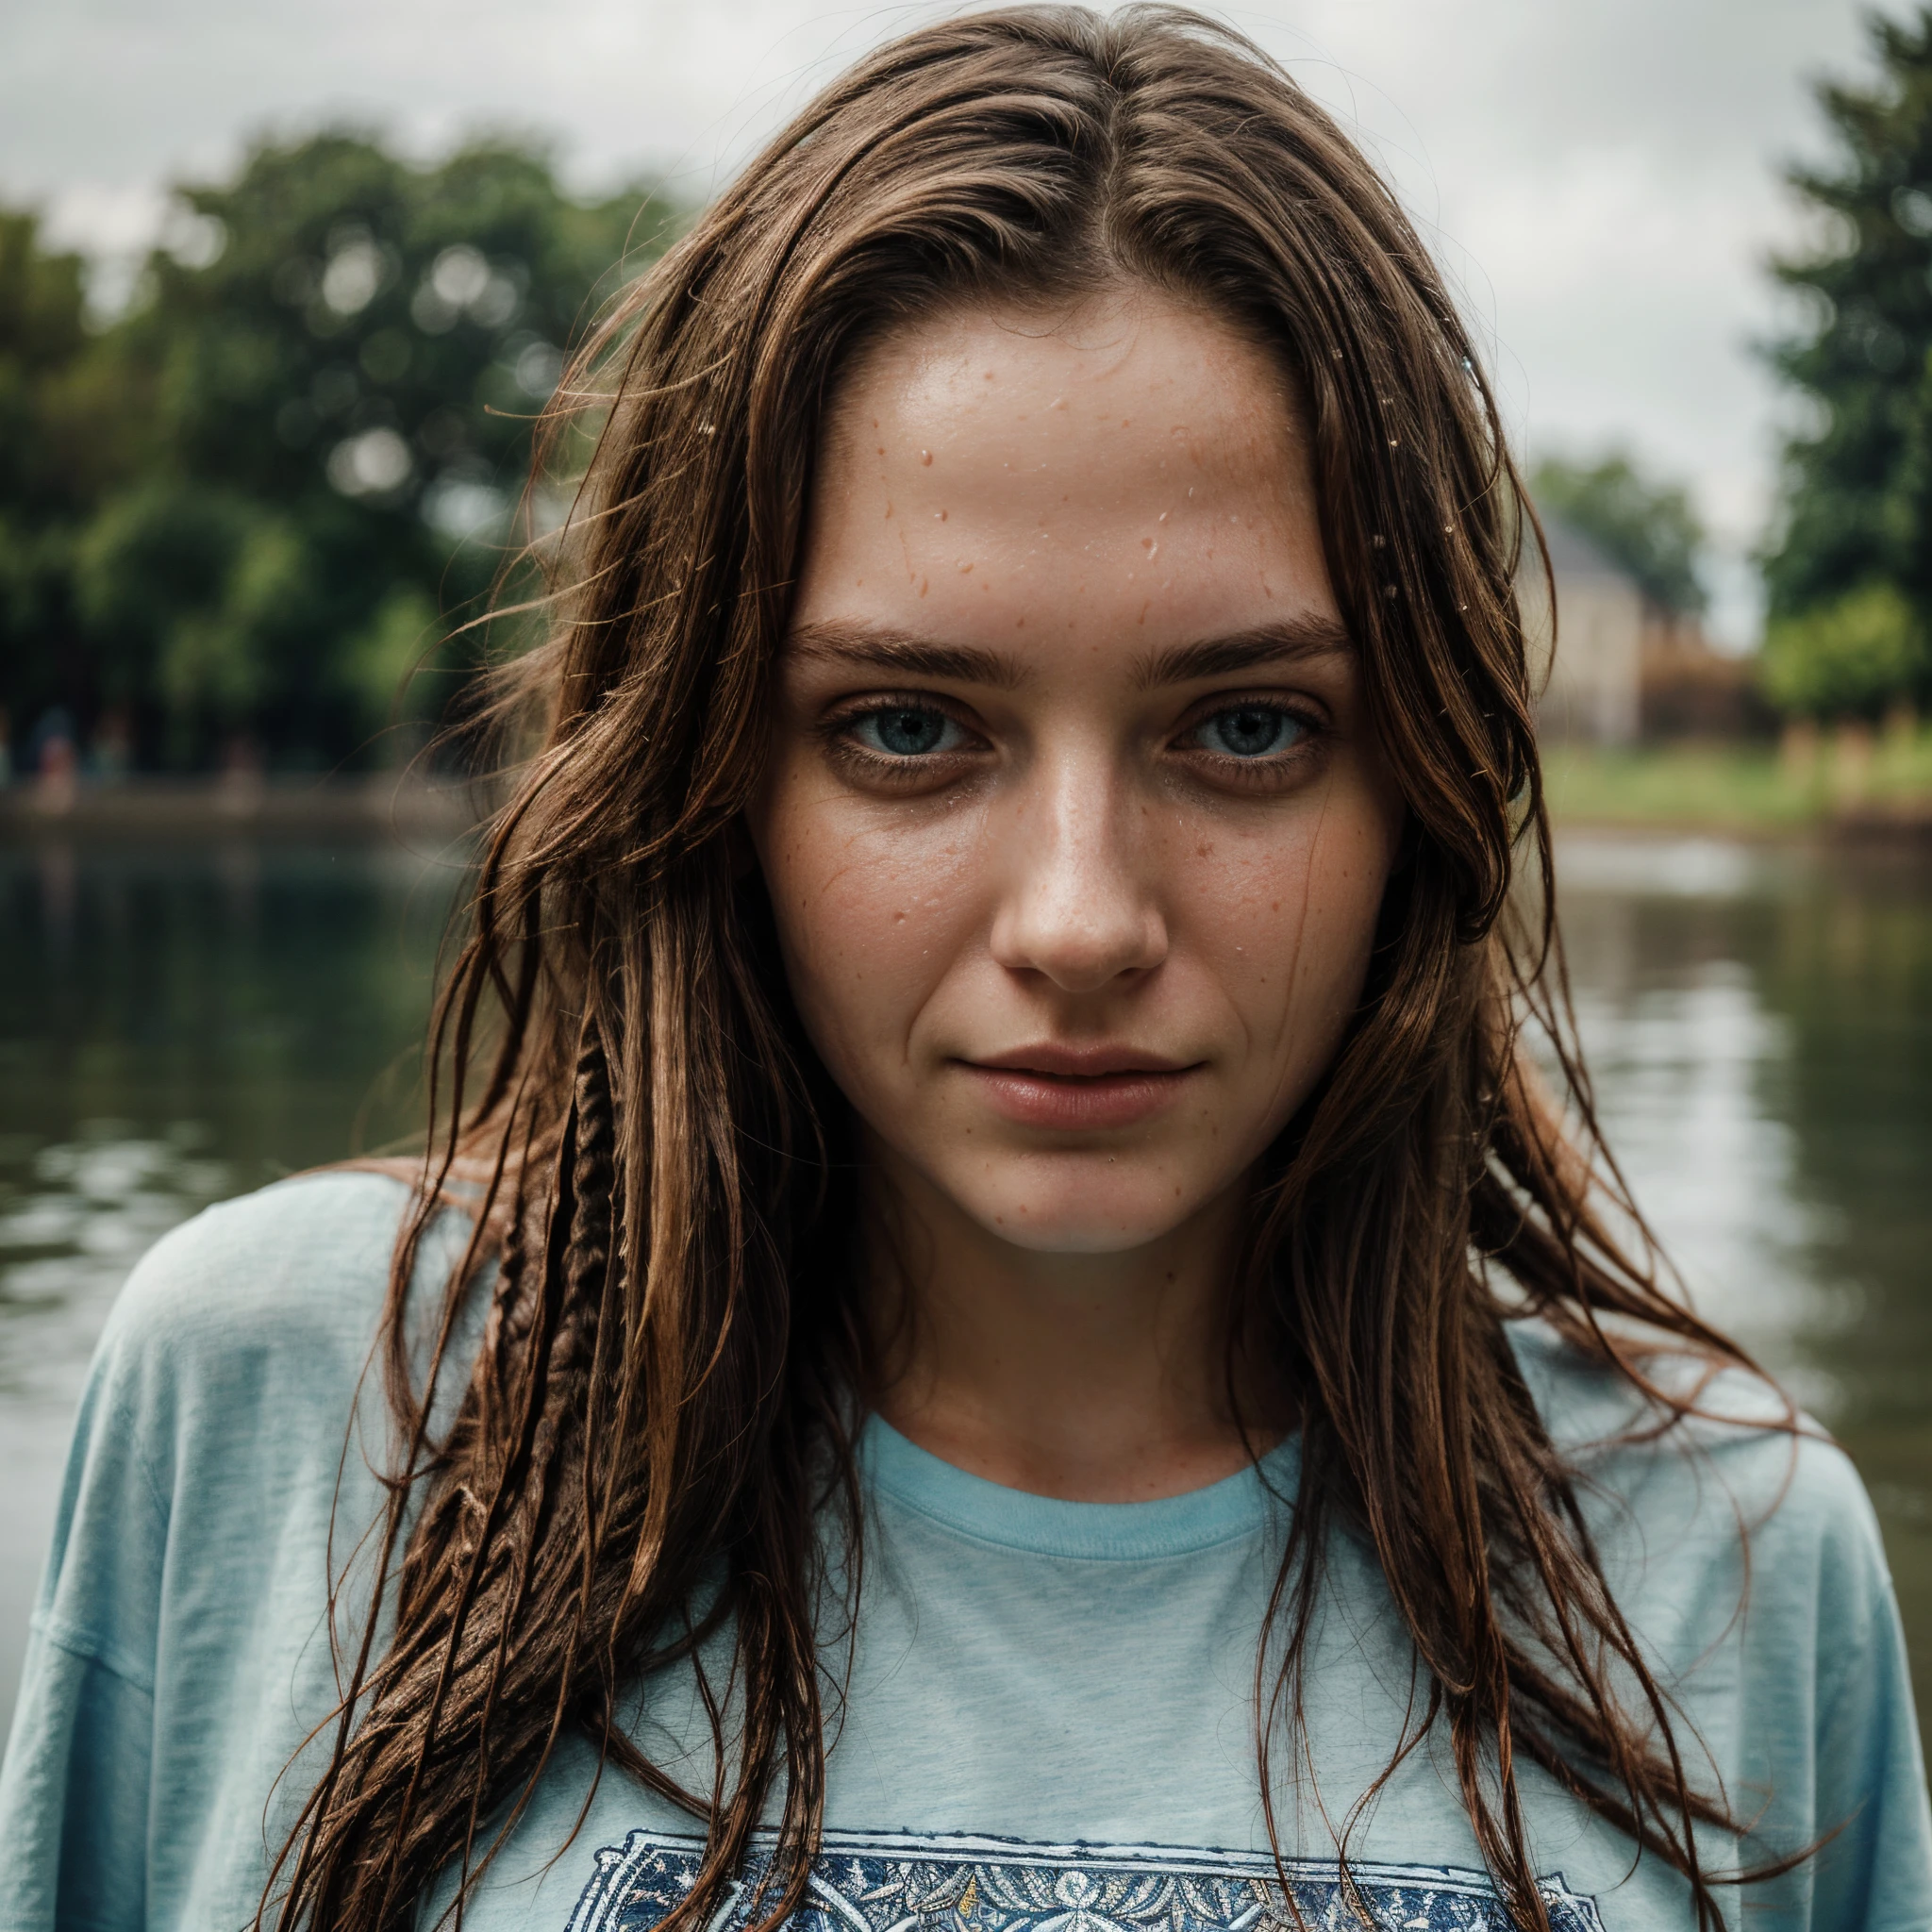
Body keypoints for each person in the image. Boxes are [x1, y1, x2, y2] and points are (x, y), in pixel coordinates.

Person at [2, 9, 1926, 1930]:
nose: (1082, 921)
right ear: (708, 771)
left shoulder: (1730, 1569)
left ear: (1416, 786)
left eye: (1244, 729)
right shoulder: (278, 1413)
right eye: (909, 729)